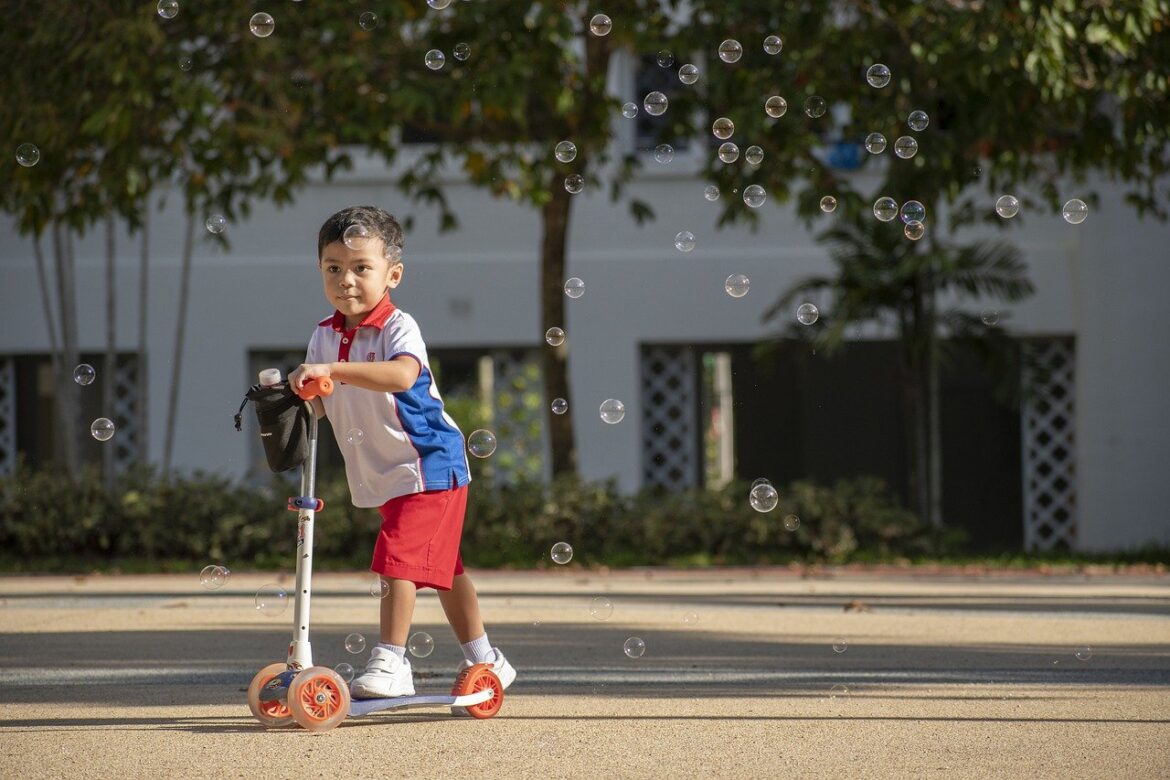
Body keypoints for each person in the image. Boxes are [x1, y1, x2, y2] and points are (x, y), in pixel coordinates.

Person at [289, 205, 516, 701]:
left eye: (361, 267)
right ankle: (487, 660)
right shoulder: (324, 335)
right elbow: (323, 402)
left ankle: (391, 661)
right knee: (444, 570)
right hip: (385, 471)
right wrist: (296, 394)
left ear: (393, 275)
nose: (346, 280)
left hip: (428, 463)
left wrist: (333, 370)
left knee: (397, 557)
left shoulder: (398, 326)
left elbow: (402, 374)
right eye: (333, 268)